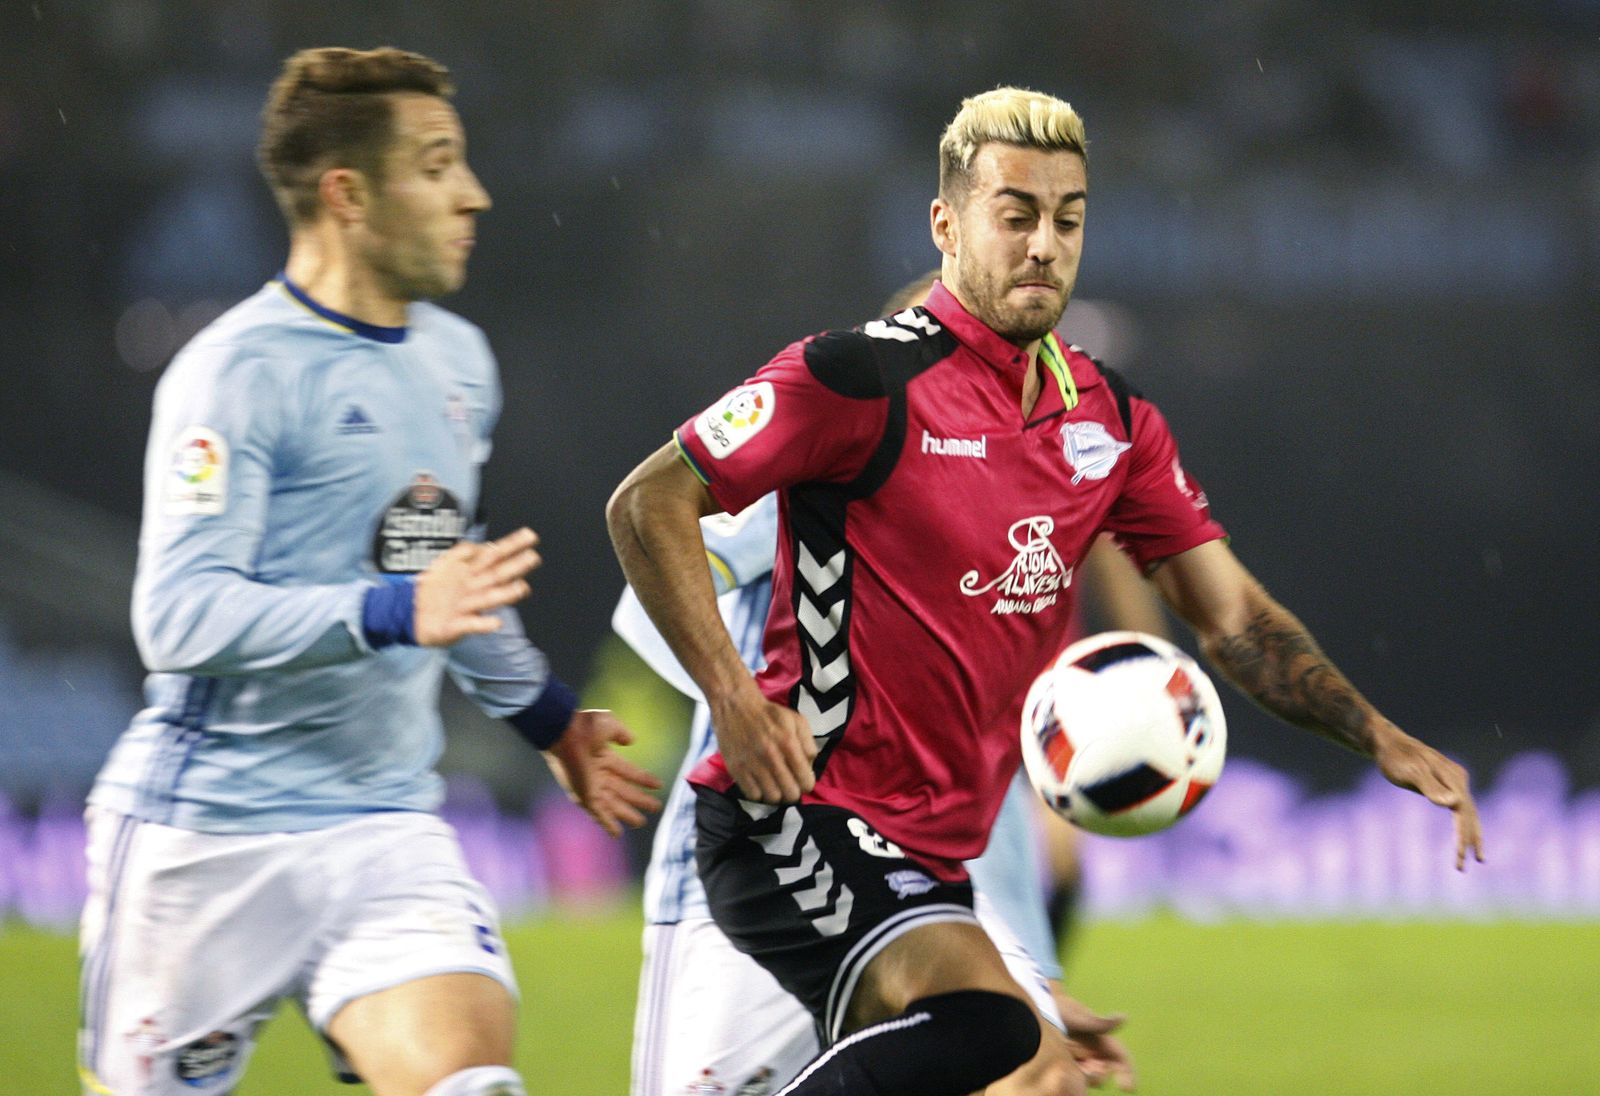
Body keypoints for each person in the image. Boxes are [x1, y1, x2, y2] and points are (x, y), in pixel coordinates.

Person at [609, 85, 1483, 1096]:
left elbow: (1234, 618)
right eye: (1014, 214)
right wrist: (731, 693)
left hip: (930, 856)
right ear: (946, 224)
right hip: (795, 817)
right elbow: (647, 503)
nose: (1043, 244)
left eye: (1067, 219)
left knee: (1035, 1073)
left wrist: (1377, 734)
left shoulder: (1111, 421)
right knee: (993, 1038)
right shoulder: (854, 379)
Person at [78, 47, 660, 1096]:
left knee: (469, 1077)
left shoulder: (457, 362)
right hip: (207, 833)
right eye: (436, 164)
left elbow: (443, 579)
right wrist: (395, 609)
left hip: (381, 824)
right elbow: (178, 616)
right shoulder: (236, 372)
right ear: (347, 194)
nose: (472, 193)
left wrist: (548, 719)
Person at [618, 271, 1150, 1096]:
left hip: (929, 886)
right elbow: (649, 585)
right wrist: (742, 700)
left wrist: (1018, 972)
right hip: (768, 860)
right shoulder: (830, 467)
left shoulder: (1024, 513)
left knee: (1036, 1072)